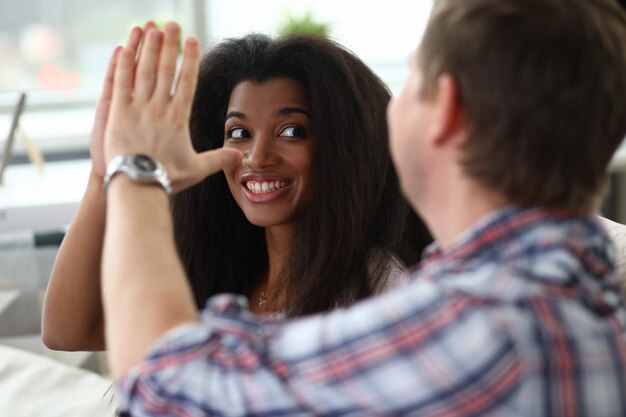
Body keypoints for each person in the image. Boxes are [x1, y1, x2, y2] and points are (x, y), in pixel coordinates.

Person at [100, 0, 626, 415]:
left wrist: (136, 168)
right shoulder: (583, 295)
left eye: (411, 82)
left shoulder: (481, 329)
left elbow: (166, 389)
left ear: (445, 110)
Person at [42, 28, 430, 351]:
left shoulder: (375, 283)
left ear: (347, 147)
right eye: (239, 133)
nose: (256, 157)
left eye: (292, 131)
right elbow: (67, 332)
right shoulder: (221, 270)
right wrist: (102, 173)